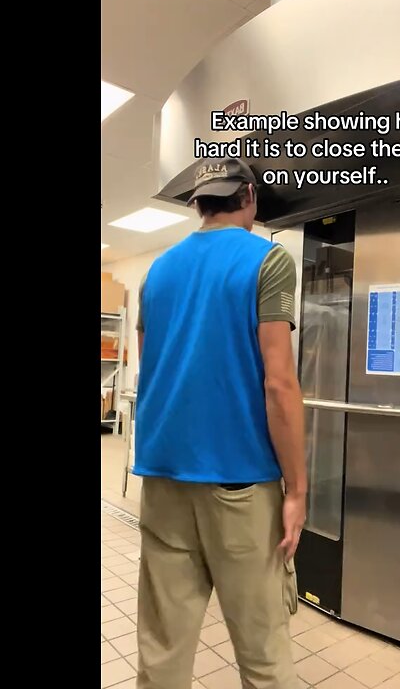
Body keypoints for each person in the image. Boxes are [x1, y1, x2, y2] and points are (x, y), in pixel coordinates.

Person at [132, 157, 306, 689]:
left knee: (162, 652)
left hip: (163, 481)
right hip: (240, 487)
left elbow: (153, 367)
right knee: (262, 652)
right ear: (249, 197)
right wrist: (296, 490)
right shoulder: (268, 260)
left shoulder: (155, 272)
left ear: (197, 203)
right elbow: (279, 384)